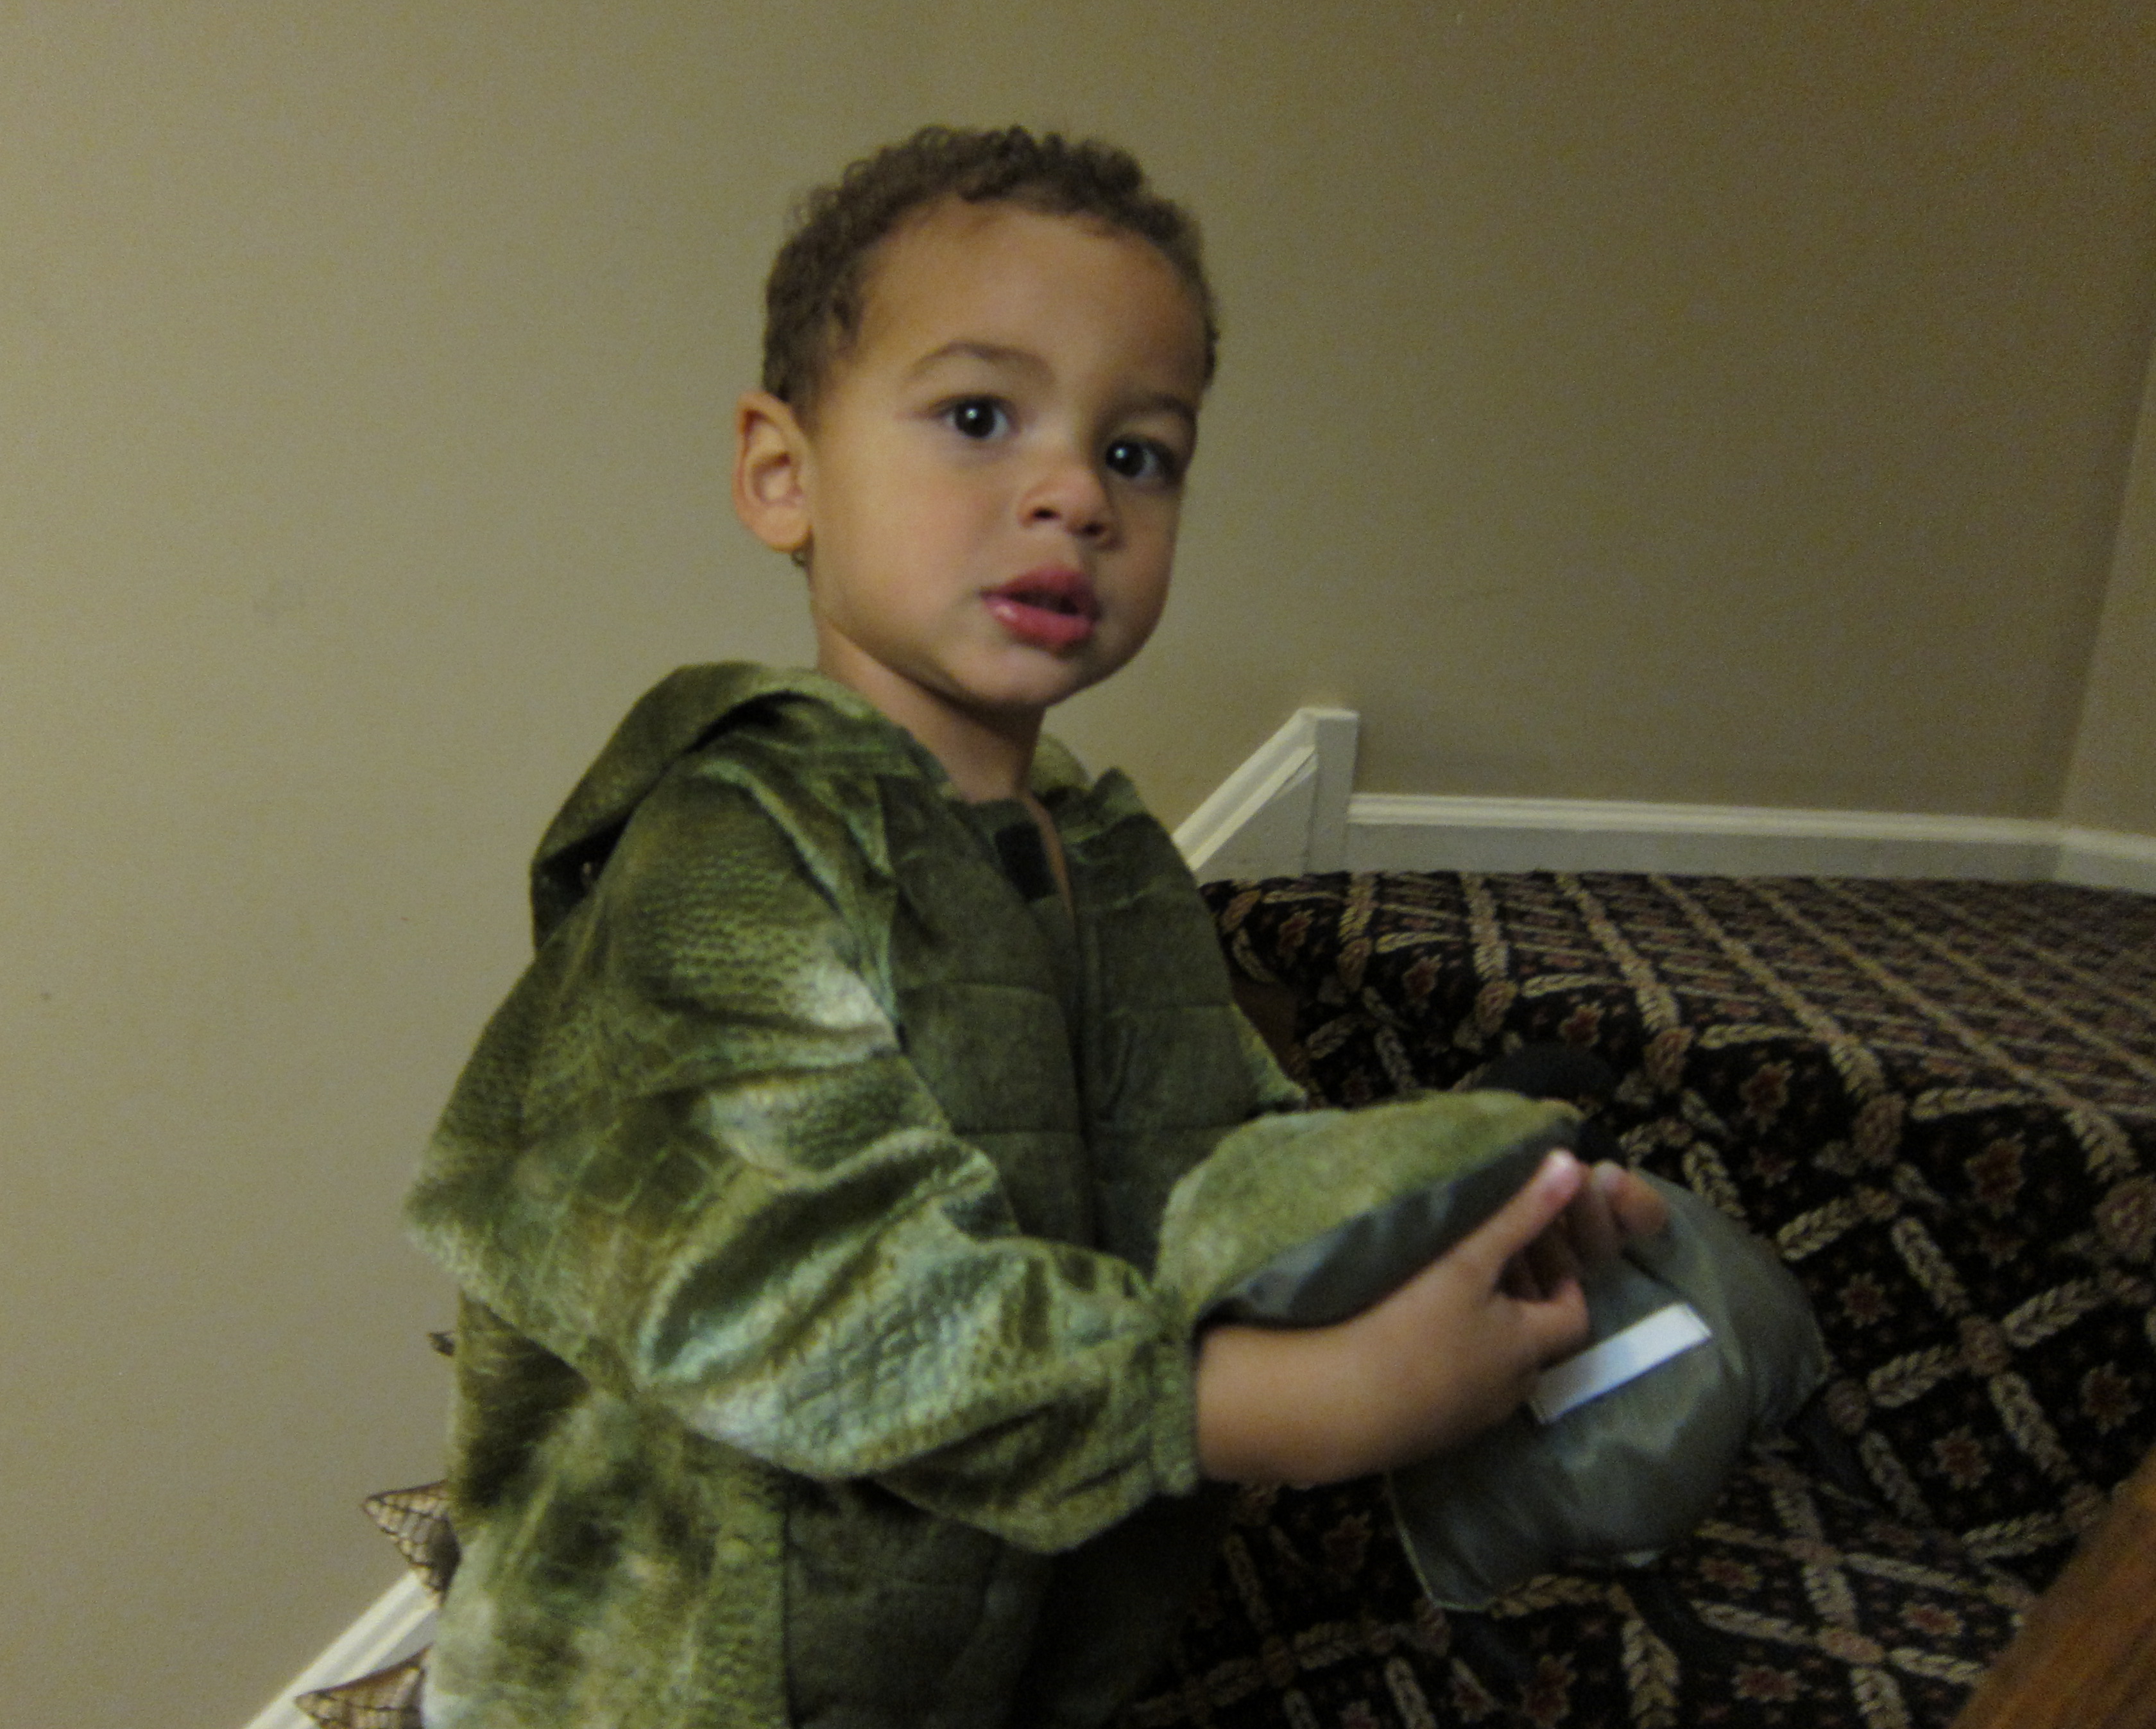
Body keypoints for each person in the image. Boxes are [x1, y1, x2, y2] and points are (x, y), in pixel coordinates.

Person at [406, 125, 1668, 1729]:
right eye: (979, 418)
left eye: (1140, 453)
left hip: (966, 1659)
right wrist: (1243, 1405)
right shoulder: (730, 851)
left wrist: (1471, 1199)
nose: (1074, 495)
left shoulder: (1108, 859)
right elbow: (787, 1287)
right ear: (782, 475)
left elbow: (1221, 1167)